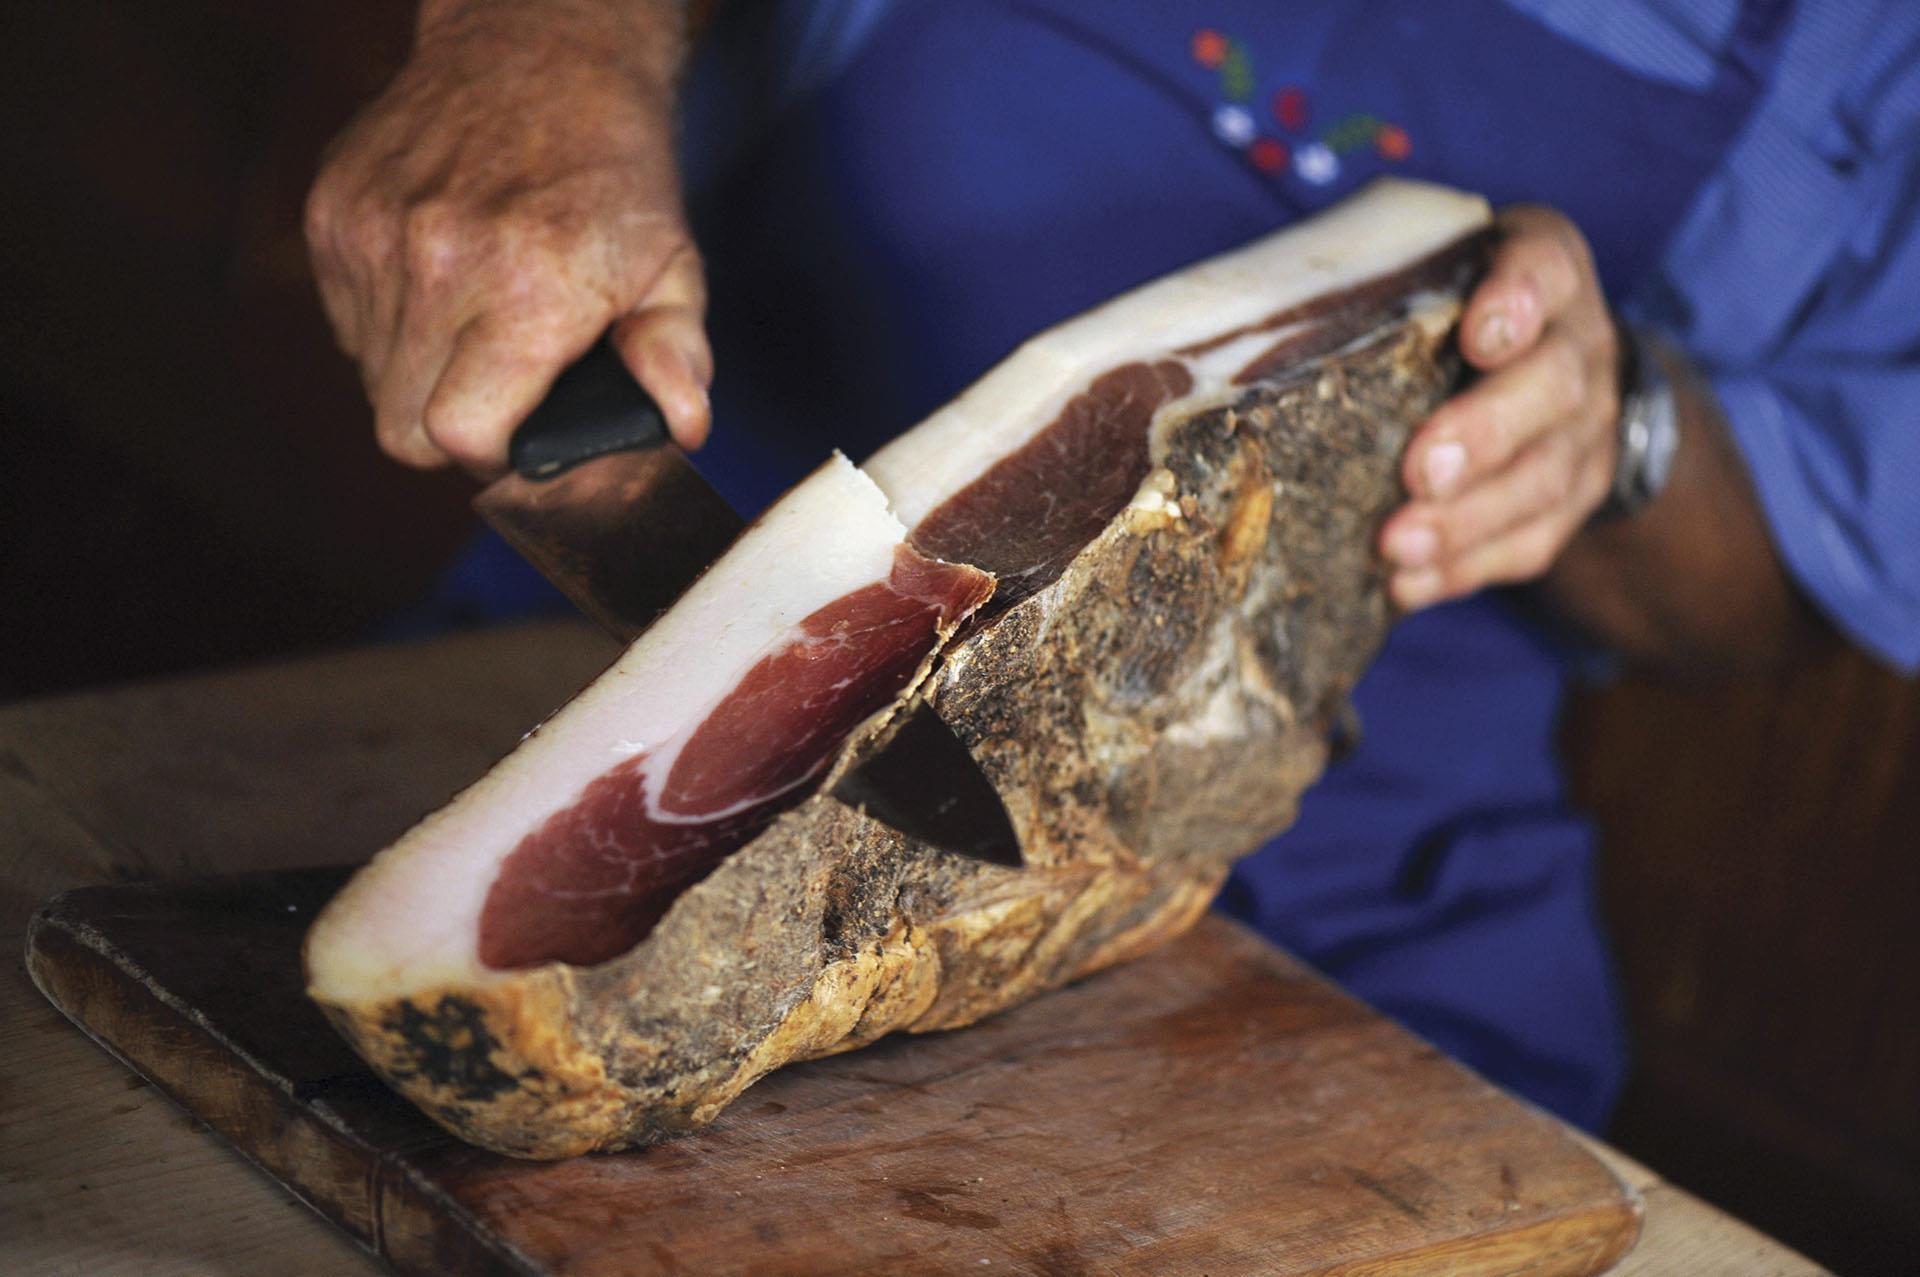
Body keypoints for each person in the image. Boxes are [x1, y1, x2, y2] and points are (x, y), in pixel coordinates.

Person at [306, 0, 1920, 1132]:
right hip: (599, 691)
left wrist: (1618, 431)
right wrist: (543, 40)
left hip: (1349, 889)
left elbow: (1787, 576)